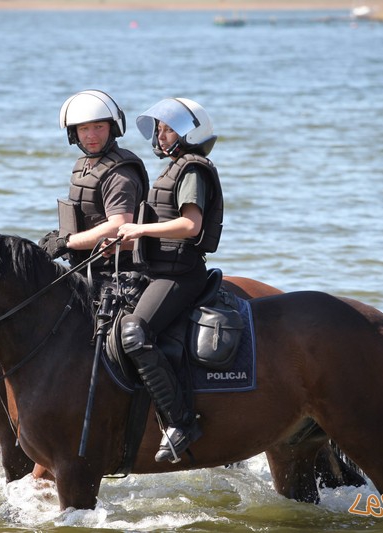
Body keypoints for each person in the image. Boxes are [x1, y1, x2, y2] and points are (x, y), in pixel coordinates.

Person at [115, 98, 223, 462]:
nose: (161, 136)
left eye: (169, 129)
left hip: (180, 275)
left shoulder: (192, 170)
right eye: (159, 129)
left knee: (134, 331)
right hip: (157, 270)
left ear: (190, 133)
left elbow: (191, 225)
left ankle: (181, 421)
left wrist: (140, 229)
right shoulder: (173, 168)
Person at [39, 90, 148, 278]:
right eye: (83, 129)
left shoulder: (119, 174)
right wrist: (61, 235)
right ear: (74, 133)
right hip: (86, 267)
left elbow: (119, 226)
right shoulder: (84, 166)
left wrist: (67, 242)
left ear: (113, 128)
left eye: (99, 127)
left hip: (118, 273)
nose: (91, 135)